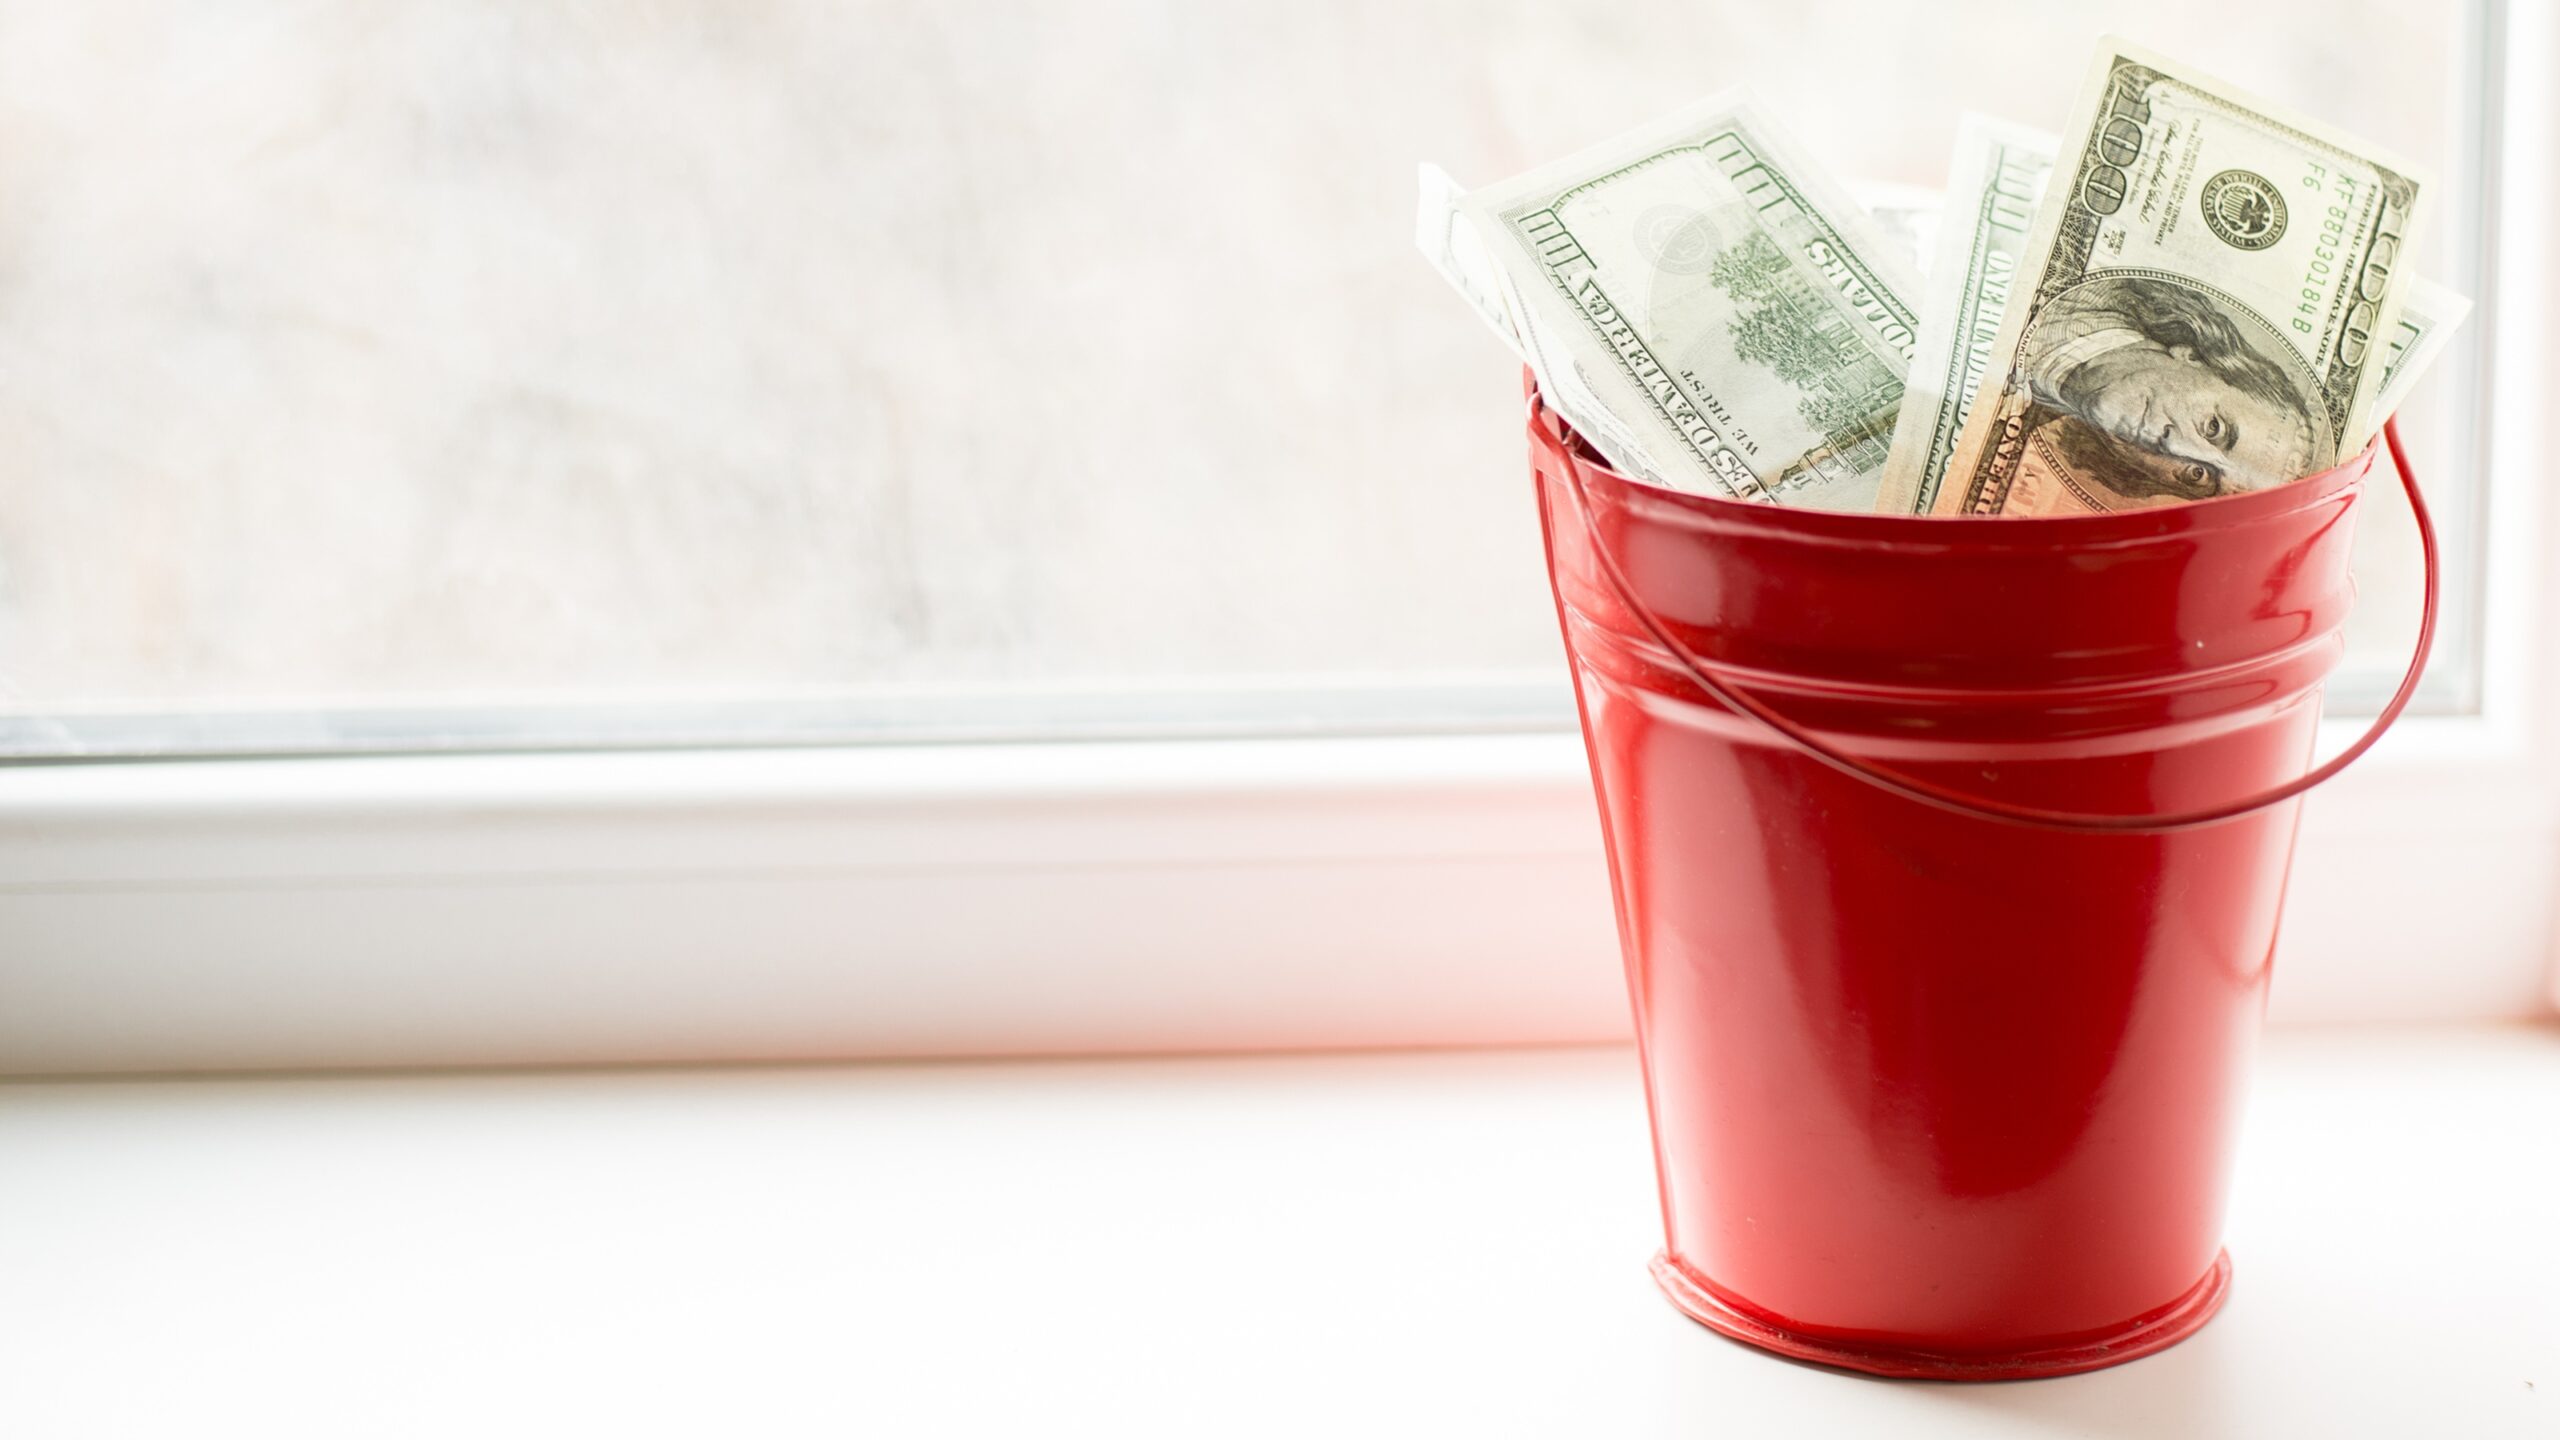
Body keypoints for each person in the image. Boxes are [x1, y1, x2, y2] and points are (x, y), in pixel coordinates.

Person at [2014, 273, 2324, 504]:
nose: (2174, 447)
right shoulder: (2079, 295)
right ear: (2195, 356)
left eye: (2197, 476)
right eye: (2213, 427)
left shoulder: (2023, 432)